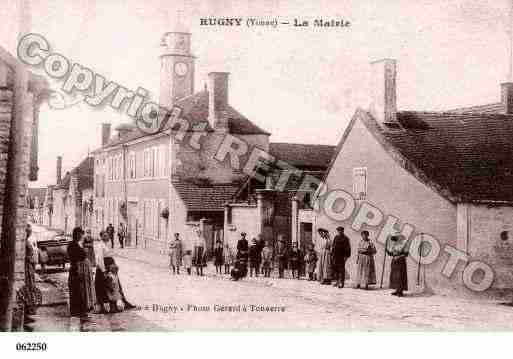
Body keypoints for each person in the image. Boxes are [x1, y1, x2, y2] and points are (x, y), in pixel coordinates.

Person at [96, 231, 136, 311]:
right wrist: (104, 271)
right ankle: (105, 306)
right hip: (105, 267)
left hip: (111, 267)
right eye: (105, 236)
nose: (107, 237)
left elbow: (110, 255)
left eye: (107, 235)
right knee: (106, 286)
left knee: (115, 285)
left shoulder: (107, 244)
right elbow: (100, 259)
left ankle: (121, 302)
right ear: (101, 237)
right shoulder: (100, 245)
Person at [67, 227, 95, 318]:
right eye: (80, 234)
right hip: (76, 270)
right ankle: (77, 311)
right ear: (76, 234)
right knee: (77, 290)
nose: (81, 236)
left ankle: (79, 310)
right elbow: (74, 259)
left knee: (80, 290)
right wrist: (79, 270)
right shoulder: (72, 245)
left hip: (79, 269)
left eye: (81, 234)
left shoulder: (77, 244)